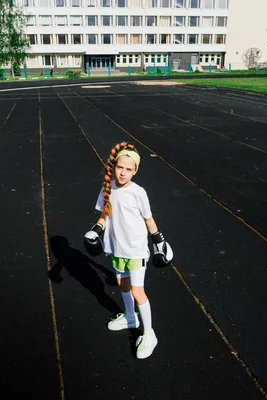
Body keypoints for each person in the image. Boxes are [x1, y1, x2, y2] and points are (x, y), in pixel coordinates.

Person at [83, 141, 173, 359]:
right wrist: (96, 230)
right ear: (114, 166)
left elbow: (148, 219)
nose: (123, 173)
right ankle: (131, 317)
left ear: (135, 171)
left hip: (136, 249)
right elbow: (104, 215)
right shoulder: (108, 188)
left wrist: (159, 242)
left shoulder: (138, 192)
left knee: (137, 291)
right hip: (116, 247)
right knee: (123, 284)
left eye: (129, 169)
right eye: (120, 167)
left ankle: (149, 333)